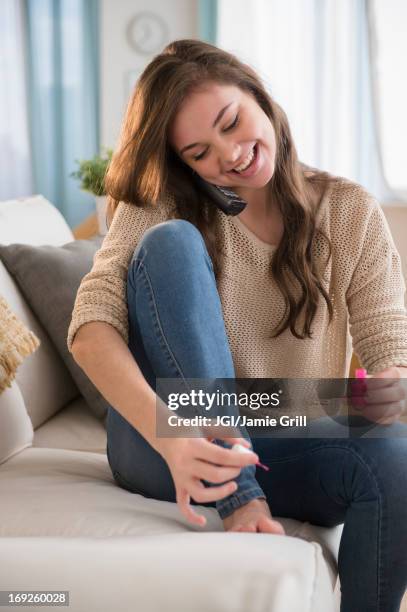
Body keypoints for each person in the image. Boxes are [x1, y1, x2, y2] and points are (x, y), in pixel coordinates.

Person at [67, 39, 407, 611]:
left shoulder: (350, 211)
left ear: (258, 96)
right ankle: (238, 497)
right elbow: (89, 326)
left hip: (282, 416)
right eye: (200, 151)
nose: (230, 154)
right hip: (163, 435)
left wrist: (386, 391)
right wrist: (171, 439)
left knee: (396, 457)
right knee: (172, 243)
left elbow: (390, 340)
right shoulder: (163, 204)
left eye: (232, 121)